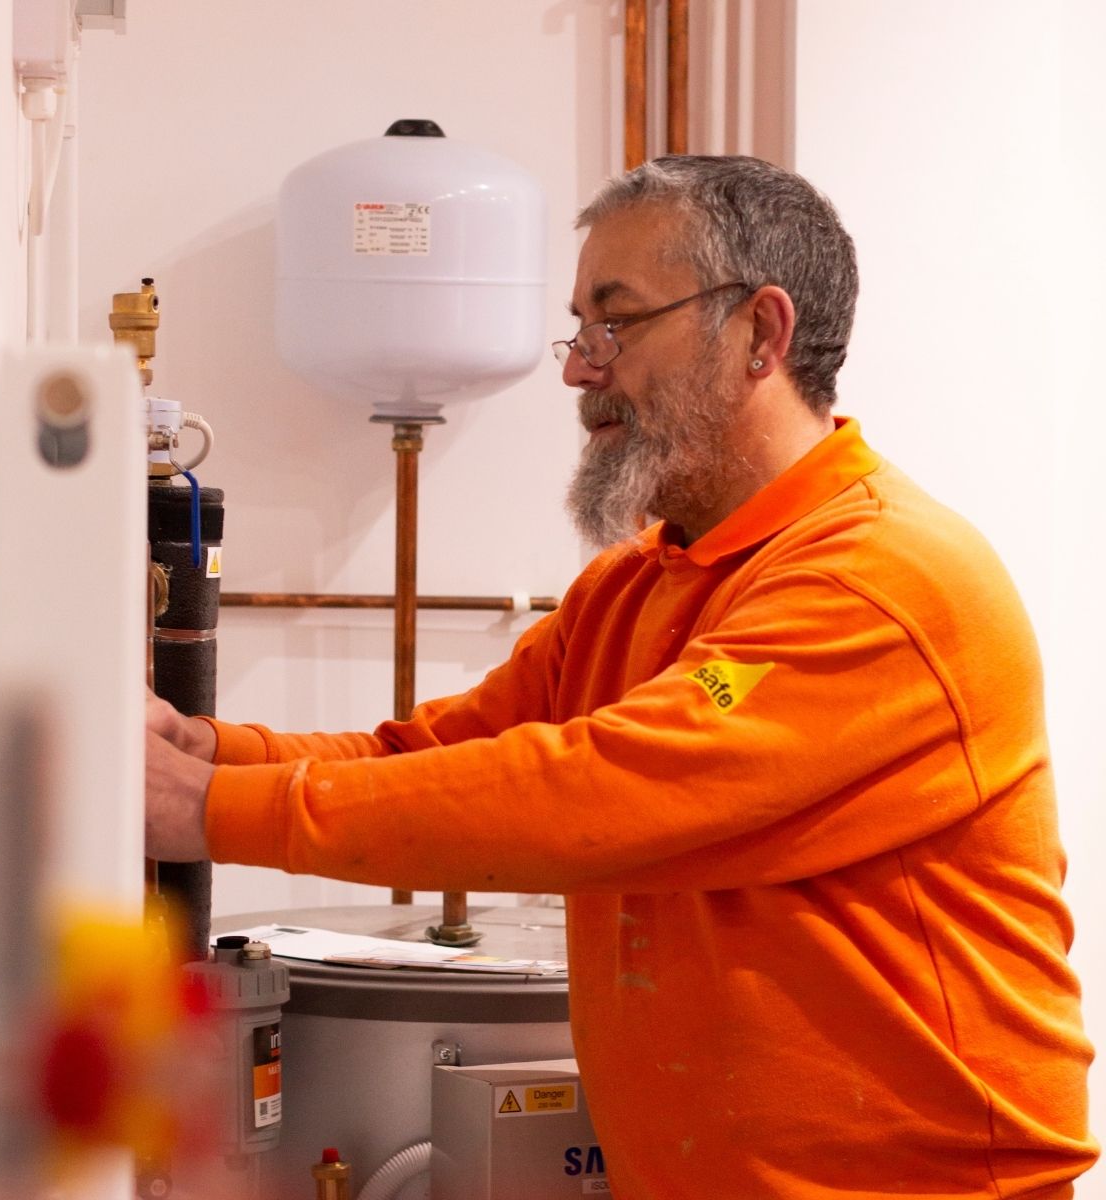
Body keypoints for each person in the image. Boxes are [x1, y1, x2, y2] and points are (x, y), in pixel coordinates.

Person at [146, 155, 1097, 1198]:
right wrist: (211, 754)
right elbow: (438, 751)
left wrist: (213, 811)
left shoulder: (882, 577)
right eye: (580, 329)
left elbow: (605, 789)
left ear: (761, 332)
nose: (579, 371)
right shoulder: (636, 586)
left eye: (618, 322)